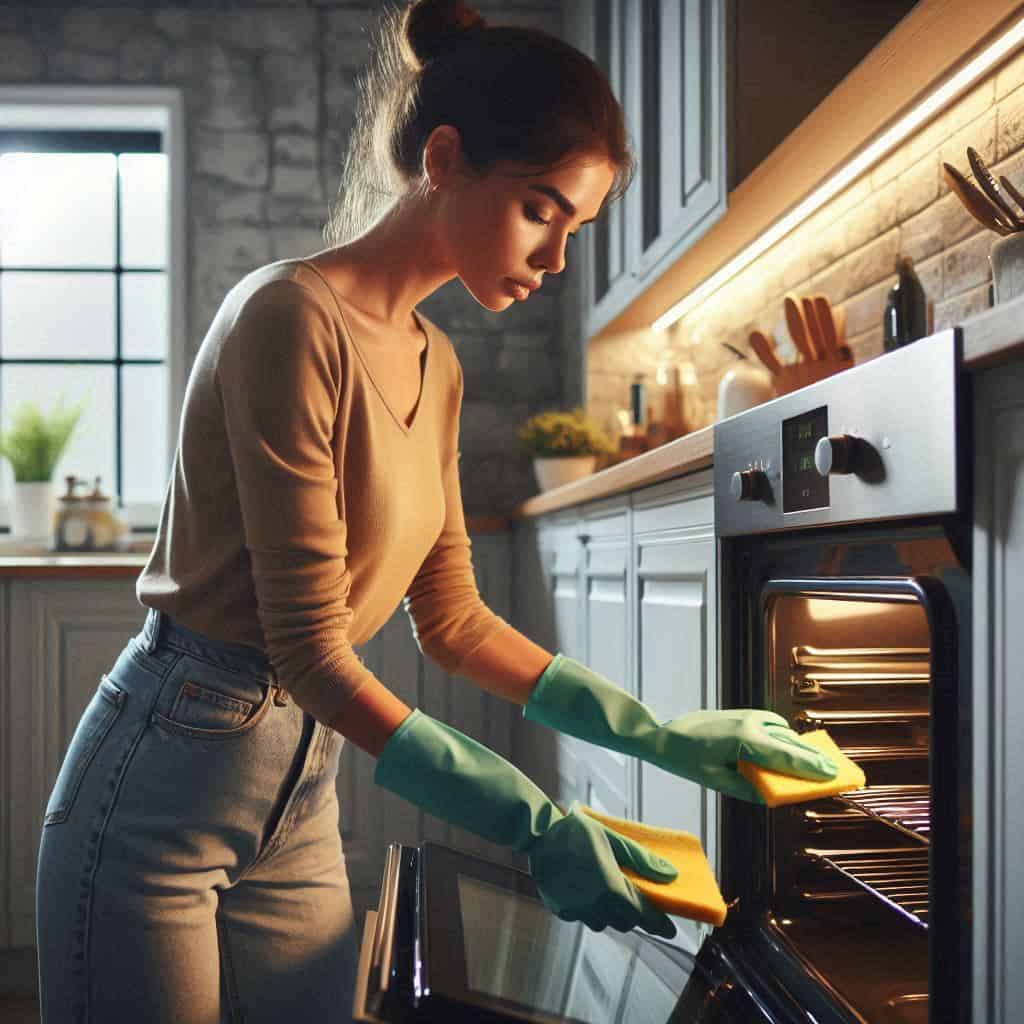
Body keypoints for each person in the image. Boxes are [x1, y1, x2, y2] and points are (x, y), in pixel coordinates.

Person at [35, 1, 838, 1021]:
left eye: (575, 226)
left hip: (300, 793)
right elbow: (312, 652)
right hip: (159, 787)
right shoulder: (289, 315)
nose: (555, 259)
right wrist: (533, 820)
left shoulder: (436, 360)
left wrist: (662, 735)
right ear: (446, 158)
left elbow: (451, 617)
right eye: (542, 208)